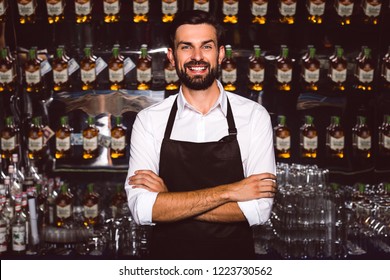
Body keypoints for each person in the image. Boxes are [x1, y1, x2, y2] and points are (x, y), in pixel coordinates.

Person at [124, 10, 277, 260]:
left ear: (221, 53)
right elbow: (142, 210)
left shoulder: (253, 116)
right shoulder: (150, 120)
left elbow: (258, 210)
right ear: (172, 57)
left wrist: (167, 199)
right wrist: (229, 192)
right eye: (186, 47)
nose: (197, 57)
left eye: (206, 46)